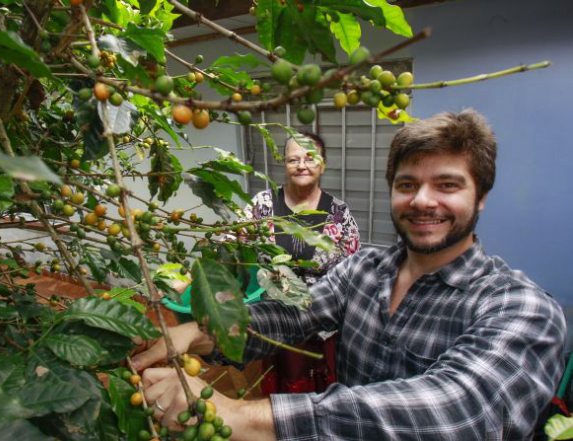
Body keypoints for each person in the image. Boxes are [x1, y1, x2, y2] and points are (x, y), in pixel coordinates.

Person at [131, 109, 566, 440]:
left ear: (482, 196)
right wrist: (201, 333)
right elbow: (292, 317)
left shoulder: (523, 309)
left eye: (448, 185)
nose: (423, 200)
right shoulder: (363, 270)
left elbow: (461, 410)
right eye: (407, 184)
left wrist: (238, 414)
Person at [243, 132, 360, 395]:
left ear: (323, 164)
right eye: (293, 159)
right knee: (282, 382)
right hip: (275, 316)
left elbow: (353, 269)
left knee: (321, 385)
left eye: (310, 158)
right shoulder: (262, 205)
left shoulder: (338, 213)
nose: (301, 165)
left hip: (322, 320)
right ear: (284, 164)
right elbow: (231, 245)